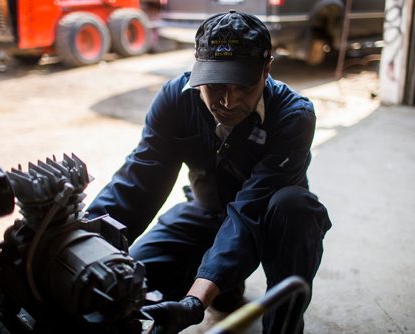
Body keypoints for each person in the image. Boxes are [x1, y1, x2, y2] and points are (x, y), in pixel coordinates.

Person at [87, 10, 331, 333]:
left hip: (269, 224)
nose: (228, 101)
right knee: (125, 284)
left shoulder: (293, 116)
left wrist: (194, 302)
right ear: (197, 69)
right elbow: (139, 180)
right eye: (214, 85)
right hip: (205, 212)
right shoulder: (176, 101)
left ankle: (281, 326)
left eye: (242, 85)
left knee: (296, 208)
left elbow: (248, 212)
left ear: (266, 69)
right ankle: (226, 285)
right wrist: (83, 241)